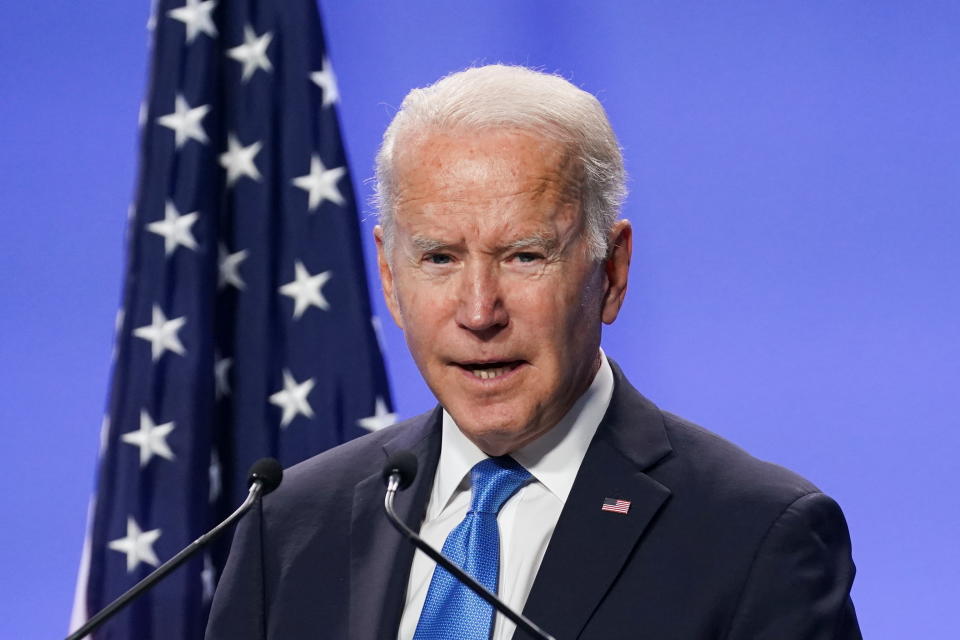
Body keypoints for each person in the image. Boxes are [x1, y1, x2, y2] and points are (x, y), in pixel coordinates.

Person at [206, 65, 861, 640]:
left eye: (524, 256)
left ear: (611, 271)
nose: (479, 311)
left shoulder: (755, 538)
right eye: (439, 258)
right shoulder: (288, 526)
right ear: (389, 276)